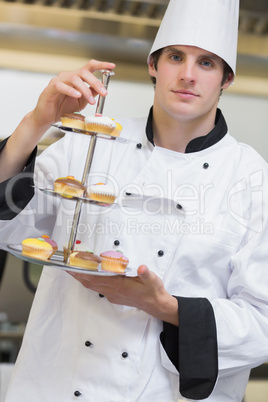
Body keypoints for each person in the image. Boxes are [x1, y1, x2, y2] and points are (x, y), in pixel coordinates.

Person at [1, 0, 268, 400]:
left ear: (226, 79)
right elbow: (11, 226)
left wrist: (166, 307)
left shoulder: (251, 178)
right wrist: (37, 121)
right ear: (153, 65)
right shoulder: (90, 145)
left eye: (207, 63)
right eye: (176, 57)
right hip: (55, 386)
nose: (188, 75)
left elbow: (261, 324)